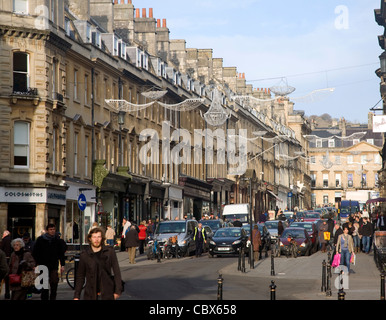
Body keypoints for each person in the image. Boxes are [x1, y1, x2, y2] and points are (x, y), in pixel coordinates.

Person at [74, 227, 122, 300]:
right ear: (90, 238)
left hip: (107, 293)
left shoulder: (109, 252)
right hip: (90, 293)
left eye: (99, 237)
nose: (96, 240)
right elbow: (80, 276)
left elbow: (117, 271)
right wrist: (76, 296)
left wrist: (118, 291)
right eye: (94, 237)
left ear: (102, 238)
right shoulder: (85, 255)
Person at [32, 223, 65, 300]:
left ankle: (53, 298)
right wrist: (36, 264)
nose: (52, 231)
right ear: (47, 230)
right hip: (43, 264)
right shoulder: (40, 240)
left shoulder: (57, 240)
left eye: (53, 229)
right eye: (50, 229)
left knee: (54, 282)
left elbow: (61, 253)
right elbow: (36, 252)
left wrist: (62, 264)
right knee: (44, 285)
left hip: (53, 265)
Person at [0, 230, 12, 299]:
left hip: (4, 260)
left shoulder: (4, 240)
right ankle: (7, 293)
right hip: (9, 260)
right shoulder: (11, 240)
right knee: (7, 279)